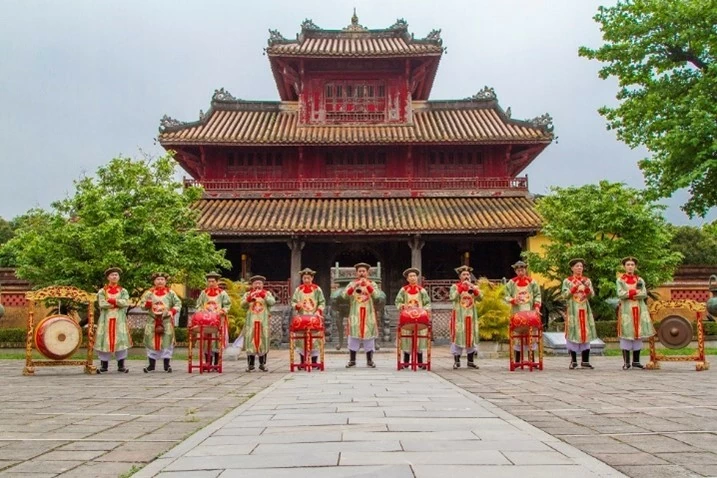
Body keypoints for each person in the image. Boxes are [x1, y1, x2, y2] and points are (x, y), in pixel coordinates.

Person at [616, 257, 655, 370]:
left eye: (632, 264)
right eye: (628, 264)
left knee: (638, 333)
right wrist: (634, 292)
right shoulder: (620, 280)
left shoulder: (640, 280)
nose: (630, 266)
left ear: (635, 267)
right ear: (624, 266)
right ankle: (626, 362)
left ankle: (636, 361)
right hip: (626, 310)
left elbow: (644, 294)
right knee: (627, 332)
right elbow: (620, 294)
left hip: (639, 308)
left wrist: (629, 294)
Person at [342, 262, 382, 368]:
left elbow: (377, 296)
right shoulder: (352, 284)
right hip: (355, 314)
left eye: (363, 271)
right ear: (356, 273)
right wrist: (355, 285)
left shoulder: (372, 284)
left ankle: (369, 360)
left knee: (369, 337)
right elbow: (344, 296)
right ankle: (352, 360)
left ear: (367, 273)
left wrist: (368, 286)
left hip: (368, 314)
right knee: (353, 337)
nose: (362, 273)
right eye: (359, 271)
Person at [140, 272, 182, 373]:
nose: (160, 281)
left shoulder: (170, 292)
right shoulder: (149, 293)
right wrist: (147, 304)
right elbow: (142, 305)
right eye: (158, 279)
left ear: (165, 281)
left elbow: (178, 303)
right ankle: (151, 365)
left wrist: (172, 311)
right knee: (151, 341)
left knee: (167, 342)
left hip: (166, 320)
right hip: (152, 320)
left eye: (162, 279)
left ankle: (167, 365)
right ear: (154, 281)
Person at [562, 258, 597, 369]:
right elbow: (564, 295)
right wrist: (574, 287)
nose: (579, 268)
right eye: (577, 266)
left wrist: (586, 288)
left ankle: (585, 360)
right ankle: (573, 360)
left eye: (581, 266)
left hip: (584, 308)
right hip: (573, 309)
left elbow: (592, 295)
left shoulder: (587, 280)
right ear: (572, 268)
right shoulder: (567, 281)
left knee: (585, 332)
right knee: (573, 331)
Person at [504, 260, 542, 364]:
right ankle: (517, 360)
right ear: (516, 271)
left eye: (523, 270)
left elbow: (537, 295)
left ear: (525, 270)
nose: (521, 272)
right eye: (518, 270)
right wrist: (512, 300)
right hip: (517, 312)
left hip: (530, 312)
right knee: (517, 335)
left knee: (531, 335)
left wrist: (537, 307)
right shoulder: (511, 283)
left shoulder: (532, 282)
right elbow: (506, 295)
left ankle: (532, 359)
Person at [96, 267, 131, 374]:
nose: (114, 277)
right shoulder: (102, 291)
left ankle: (121, 365)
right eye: (112, 275)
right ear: (108, 277)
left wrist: (113, 301)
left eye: (116, 275)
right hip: (106, 319)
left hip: (119, 319)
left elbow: (126, 302)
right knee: (104, 341)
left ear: (119, 277)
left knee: (120, 340)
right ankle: (104, 365)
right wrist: (117, 303)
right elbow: (102, 303)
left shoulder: (123, 291)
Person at [394, 267, 431, 370]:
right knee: (406, 338)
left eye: (414, 276)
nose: (413, 278)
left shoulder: (422, 290)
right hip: (407, 318)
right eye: (411, 276)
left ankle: (420, 362)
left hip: (420, 318)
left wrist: (424, 310)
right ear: (407, 279)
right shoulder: (403, 290)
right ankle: (406, 361)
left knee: (419, 338)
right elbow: (397, 302)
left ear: (417, 278)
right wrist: (402, 306)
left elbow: (427, 303)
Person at [195, 272, 231, 369]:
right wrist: (201, 311)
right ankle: (207, 362)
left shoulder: (222, 293)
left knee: (217, 340)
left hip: (218, 320)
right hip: (205, 319)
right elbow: (198, 305)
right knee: (206, 341)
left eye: (213, 281)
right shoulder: (204, 293)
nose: (211, 283)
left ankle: (216, 363)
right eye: (209, 281)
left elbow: (227, 305)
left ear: (217, 282)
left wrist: (223, 311)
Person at [291, 268, 326, 365]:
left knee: (315, 339)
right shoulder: (298, 290)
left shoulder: (317, 289)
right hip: (302, 318)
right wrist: (297, 306)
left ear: (312, 278)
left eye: (308, 278)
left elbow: (322, 302)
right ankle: (303, 361)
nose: (306, 280)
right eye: (304, 278)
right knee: (301, 339)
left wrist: (318, 311)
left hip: (314, 317)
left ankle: (314, 362)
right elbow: (293, 301)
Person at [449, 265, 482, 369]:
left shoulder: (473, 286)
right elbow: (452, 297)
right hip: (459, 316)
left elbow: (481, 298)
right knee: (458, 337)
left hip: (471, 316)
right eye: (464, 274)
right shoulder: (455, 287)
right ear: (460, 276)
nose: (466, 276)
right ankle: (457, 361)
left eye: (468, 274)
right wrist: (461, 288)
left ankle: (470, 361)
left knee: (470, 337)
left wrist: (474, 289)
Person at [241, 275, 276, 372]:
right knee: (250, 341)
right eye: (255, 283)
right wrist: (249, 299)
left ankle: (262, 364)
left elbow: (272, 302)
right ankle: (250, 365)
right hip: (251, 322)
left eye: (259, 283)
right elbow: (242, 305)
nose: (257, 285)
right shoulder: (248, 294)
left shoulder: (267, 293)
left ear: (263, 285)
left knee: (263, 342)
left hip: (263, 322)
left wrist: (264, 296)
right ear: (252, 285)